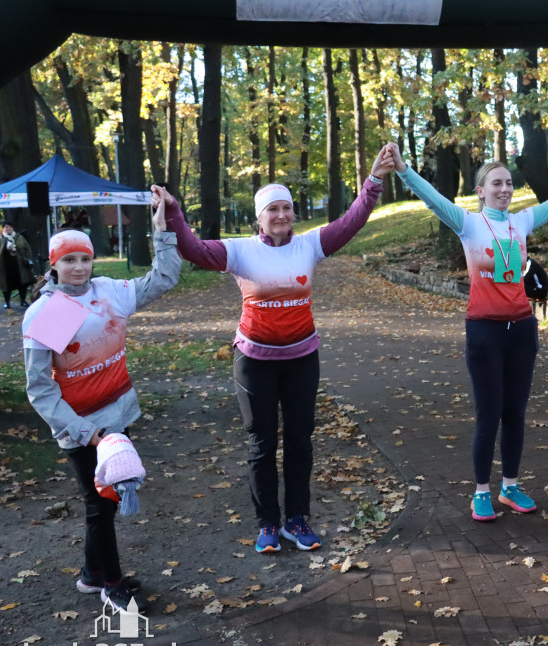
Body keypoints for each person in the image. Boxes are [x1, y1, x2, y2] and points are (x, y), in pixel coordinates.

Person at [160, 144, 395, 553]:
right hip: (254, 362)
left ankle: (297, 520)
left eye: (286, 207)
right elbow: (194, 250)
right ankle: (268, 523)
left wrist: (373, 182)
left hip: (302, 359)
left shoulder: (309, 245)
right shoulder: (240, 251)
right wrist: (176, 215)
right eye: (273, 209)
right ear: (259, 218)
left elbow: (351, 222)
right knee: (262, 443)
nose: (282, 215)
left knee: (301, 441)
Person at [387, 140, 548, 521]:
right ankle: (481, 491)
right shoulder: (468, 223)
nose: (504, 189)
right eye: (496, 183)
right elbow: (431, 197)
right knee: (488, 413)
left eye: (509, 183)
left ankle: (510, 486)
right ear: (480, 190)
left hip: (522, 330)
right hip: (484, 331)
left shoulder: (522, 222)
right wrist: (402, 168)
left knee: (515, 412)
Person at [22, 212, 181, 613]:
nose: (78, 268)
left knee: (106, 503)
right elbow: (40, 388)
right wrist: (86, 431)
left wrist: (163, 230)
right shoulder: (54, 312)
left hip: (118, 417)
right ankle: (112, 586)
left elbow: (163, 279)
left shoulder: (109, 292)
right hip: (82, 428)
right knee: (99, 504)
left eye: (85, 259)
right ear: (53, 264)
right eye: (68, 260)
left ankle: (93, 577)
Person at [0, 221, 34, 308]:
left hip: (20, 267)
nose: (8, 229)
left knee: (23, 284)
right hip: (5, 269)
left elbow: (27, 249)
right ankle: (7, 302)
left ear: (12, 228)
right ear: (3, 229)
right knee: (6, 287)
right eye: (6, 227)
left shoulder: (20, 238)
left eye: (10, 227)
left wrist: (29, 260)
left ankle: (23, 300)